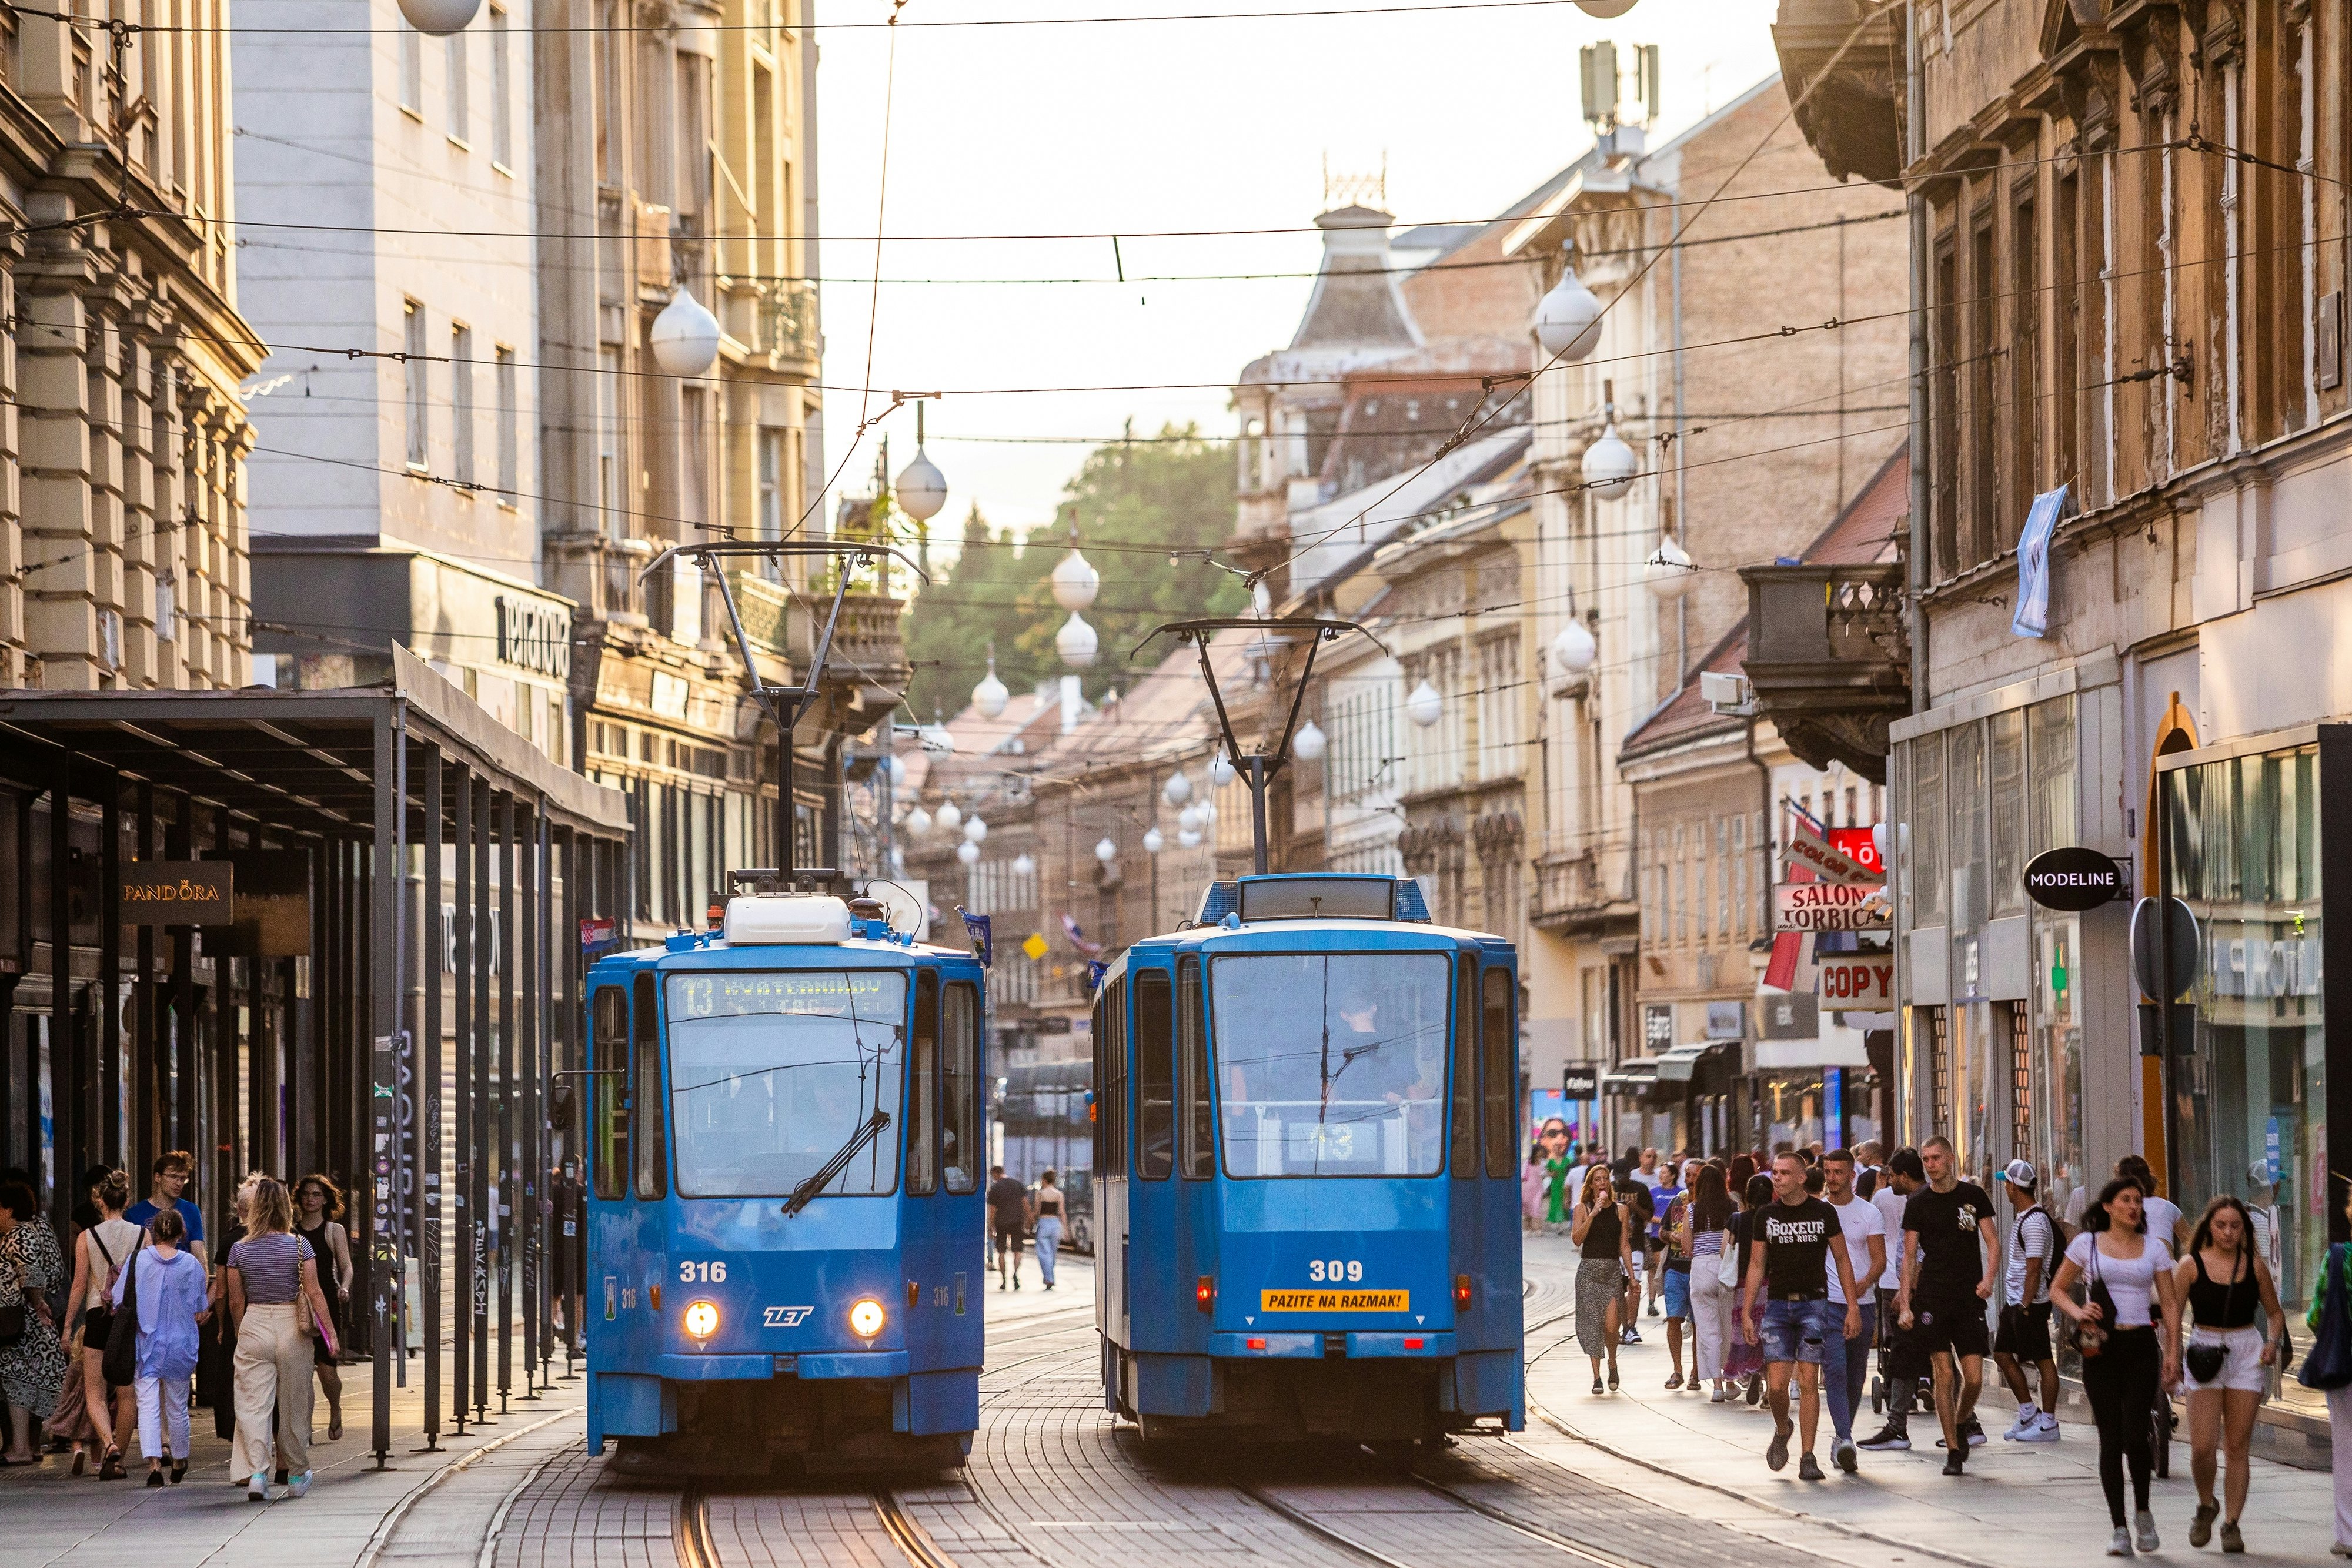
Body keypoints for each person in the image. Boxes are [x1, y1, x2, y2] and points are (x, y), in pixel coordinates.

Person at [2052, 1176, 2180, 1557]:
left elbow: (2171, 1304)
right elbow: (2058, 1287)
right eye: (2126, 1199)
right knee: (2110, 1436)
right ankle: (2119, 1527)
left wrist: (2173, 1351)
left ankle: (2143, 1511)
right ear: (2108, 1205)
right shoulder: (2086, 1243)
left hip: (2141, 1344)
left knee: (2136, 1433)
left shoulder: (2153, 1248)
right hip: (2101, 1348)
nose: (2134, 1206)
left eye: (2138, 1200)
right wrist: (2078, 1310)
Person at [2174, 1195, 2287, 1552]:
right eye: (2221, 1225)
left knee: (2237, 1445)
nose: (2227, 1232)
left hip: (2246, 1351)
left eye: (2235, 1226)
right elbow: (2172, 1313)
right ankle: (2206, 1503)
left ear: (2244, 1230)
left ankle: (2232, 1524)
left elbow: (2274, 1312)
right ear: (2208, 1226)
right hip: (2204, 1348)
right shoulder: (2190, 1265)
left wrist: (2272, 1343)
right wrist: (2171, 1356)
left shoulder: (2254, 1266)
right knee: (2203, 1446)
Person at [1740, 1152, 1864, 1480]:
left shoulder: (1823, 1212)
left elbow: (1842, 1259)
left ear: (1801, 1178)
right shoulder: (1766, 1215)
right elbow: (1756, 1265)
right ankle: (1783, 1428)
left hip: (1814, 1305)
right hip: (1779, 1307)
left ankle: (1808, 1457)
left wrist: (1853, 1306)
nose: (1776, 1178)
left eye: (1783, 1173)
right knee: (1778, 1386)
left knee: (1809, 1381)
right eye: (1774, 1173)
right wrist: (1749, 1312)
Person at [225, 1175, 339, 1500]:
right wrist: (330, 1334)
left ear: (256, 1208)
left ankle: (257, 1473)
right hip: (292, 1325)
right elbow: (315, 1293)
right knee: (294, 1402)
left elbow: (235, 1301)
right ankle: (296, 1473)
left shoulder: (238, 1249)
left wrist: (240, 1329)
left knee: (252, 1404)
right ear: (287, 1208)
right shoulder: (300, 1245)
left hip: (254, 1322)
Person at [1897, 1135, 1999, 1473]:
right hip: (1932, 1298)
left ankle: (1960, 1419)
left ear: (1951, 1158)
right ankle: (1954, 1451)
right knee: (1943, 1375)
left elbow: (1993, 1241)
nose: (1930, 1165)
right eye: (1925, 1159)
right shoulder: (1918, 1203)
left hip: (1968, 1297)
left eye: (1936, 1158)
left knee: (1973, 1378)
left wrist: (1989, 1280)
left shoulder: (1973, 1197)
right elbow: (1909, 1256)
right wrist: (1907, 1303)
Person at [112, 1206, 207, 1486]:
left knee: (148, 1405)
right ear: (181, 1234)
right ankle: (179, 1459)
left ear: (153, 1232)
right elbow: (200, 1306)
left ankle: (154, 1465)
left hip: (146, 1344)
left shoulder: (137, 1261)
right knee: (177, 1406)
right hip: (181, 1345)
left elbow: (119, 1300)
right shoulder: (191, 1264)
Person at [64, 1168, 140, 1477]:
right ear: (127, 1199)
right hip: (128, 1316)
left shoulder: (87, 1237)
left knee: (94, 1391)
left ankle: (108, 1443)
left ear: (100, 1201)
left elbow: (80, 1285)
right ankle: (118, 1460)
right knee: (127, 1392)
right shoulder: (142, 1234)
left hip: (97, 1314)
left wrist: (68, 1325)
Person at [1816, 1148, 1885, 1469]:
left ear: (1852, 1176)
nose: (1832, 1179)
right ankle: (1844, 1439)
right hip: (1827, 1303)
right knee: (1835, 1372)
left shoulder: (1869, 1213)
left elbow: (1879, 1261)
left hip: (1863, 1304)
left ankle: (1843, 1436)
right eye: (1828, 1172)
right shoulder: (1817, 1211)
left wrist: (1859, 1289)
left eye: (1838, 1173)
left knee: (1856, 1377)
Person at [1860, 1146, 1927, 1450]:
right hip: (1904, 1285)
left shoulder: (1918, 1202)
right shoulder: (1914, 1201)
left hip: (1908, 1289)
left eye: (1890, 1176)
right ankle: (1964, 1423)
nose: (1887, 1181)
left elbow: (1917, 1255)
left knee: (1902, 1350)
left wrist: (1907, 1293)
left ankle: (1898, 1425)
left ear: (1902, 1175)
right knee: (1922, 1353)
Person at [1994, 1158, 2063, 1443]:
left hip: (2030, 1305)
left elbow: (2034, 1268)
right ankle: (2028, 1413)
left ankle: (2048, 1423)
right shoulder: (2025, 1217)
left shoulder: (2034, 1222)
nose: (2005, 1188)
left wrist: (2024, 1307)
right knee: (2001, 1354)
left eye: (2007, 1183)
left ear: (2014, 1187)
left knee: (2044, 1360)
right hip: (2016, 1302)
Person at [0, 1178, 68, 1465]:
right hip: (26, 1319)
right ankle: (28, 1446)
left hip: (22, 1322)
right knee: (25, 1381)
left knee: (18, 1382)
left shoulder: (19, 1235)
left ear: (9, 1210)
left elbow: (32, 1272)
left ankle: (20, 1448)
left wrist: (38, 1304)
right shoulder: (33, 1230)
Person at [293, 1175, 353, 1440]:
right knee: (302, 1373)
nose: (310, 1199)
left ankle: (335, 1406)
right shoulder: (292, 1232)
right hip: (298, 1306)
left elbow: (346, 1265)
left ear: (326, 1199)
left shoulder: (333, 1230)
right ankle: (304, 1429)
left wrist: (345, 1287)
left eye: (316, 1194)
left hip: (327, 1301)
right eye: (306, 1194)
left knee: (328, 1372)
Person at [2310, 1179, 2352, 1559]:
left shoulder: (2339, 1257)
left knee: (2345, 1446)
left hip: (2345, 1365)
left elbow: (2315, 1316)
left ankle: (2348, 1533)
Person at [1570, 1165, 1629, 1393]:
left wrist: (1632, 1279)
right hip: (1588, 1272)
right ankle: (1597, 1377)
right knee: (1593, 1324)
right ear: (1591, 1184)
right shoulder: (1582, 1208)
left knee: (1612, 1327)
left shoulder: (1621, 1210)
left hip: (1612, 1272)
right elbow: (1577, 1239)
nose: (1603, 1183)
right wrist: (1593, 1213)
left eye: (1606, 1179)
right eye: (1598, 1179)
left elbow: (1624, 1244)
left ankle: (1612, 1362)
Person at [1685, 1162, 1737, 1400]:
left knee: (1708, 1329)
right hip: (1727, 1267)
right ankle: (1731, 1381)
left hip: (1702, 1267)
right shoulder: (1732, 1207)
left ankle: (1716, 1386)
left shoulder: (1693, 1209)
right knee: (1729, 1327)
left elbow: (1687, 1247)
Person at [1725, 1171, 1773, 1403]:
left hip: (1745, 1283)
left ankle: (1752, 1372)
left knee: (1747, 1331)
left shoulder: (1738, 1219)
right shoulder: (1776, 1219)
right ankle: (1768, 1388)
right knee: (1771, 1334)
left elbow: (1725, 1250)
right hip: (1772, 1283)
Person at [124, 1152, 206, 1266]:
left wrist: (201, 1282)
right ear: (158, 1177)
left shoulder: (191, 1211)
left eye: (183, 1179)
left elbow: (198, 1255)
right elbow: (129, 1256)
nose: (179, 1183)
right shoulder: (134, 1214)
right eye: (173, 1177)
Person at [1658, 1159, 1699, 1388]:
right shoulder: (1677, 1200)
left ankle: (1696, 1371)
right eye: (1687, 1175)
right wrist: (1670, 1236)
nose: (1689, 1179)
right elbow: (1662, 1231)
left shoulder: (1708, 1204)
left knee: (1698, 1324)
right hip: (1675, 1267)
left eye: (1694, 1175)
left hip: (1699, 1271)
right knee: (1673, 1318)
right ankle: (1677, 1370)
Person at [2117, 1154, 2189, 1256]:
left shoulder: (2118, 1209)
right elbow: (2192, 1243)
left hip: (2134, 1266)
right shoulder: (2168, 1207)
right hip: (2169, 1267)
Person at [1616, 1174, 1654, 1345]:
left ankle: (1630, 1326)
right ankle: (1624, 1325)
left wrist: (1634, 1207)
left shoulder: (1640, 1189)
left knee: (1635, 1285)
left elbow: (1648, 1215)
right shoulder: (1609, 1188)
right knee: (1618, 1291)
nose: (1619, 1178)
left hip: (1635, 1245)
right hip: (1614, 1249)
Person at [1648, 1156, 1683, 1322]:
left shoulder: (1681, 1193)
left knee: (1670, 1270)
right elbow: (1648, 1215)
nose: (1661, 1175)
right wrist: (1662, 1221)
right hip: (1657, 1235)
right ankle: (1653, 1302)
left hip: (1677, 1237)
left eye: (1664, 1173)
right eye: (1660, 1173)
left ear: (1673, 1175)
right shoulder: (1654, 1192)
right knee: (1658, 1268)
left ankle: (1672, 1307)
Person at [985, 1166, 1028, 1290]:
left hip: (1001, 1222)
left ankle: (1004, 1280)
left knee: (1001, 1252)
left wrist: (991, 1226)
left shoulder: (996, 1188)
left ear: (996, 1174)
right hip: (1017, 1221)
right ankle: (1015, 1275)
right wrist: (1029, 1220)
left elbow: (993, 1210)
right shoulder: (1018, 1184)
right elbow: (1025, 1204)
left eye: (993, 1176)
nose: (994, 1178)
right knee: (1017, 1251)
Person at [1032, 1169, 1068, 1290]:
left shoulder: (1040, 1194)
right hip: (1056, 1224)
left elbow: (1037, 1211)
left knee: (1043, 1252)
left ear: (1044, 1180)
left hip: (1044, 1223)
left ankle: (1048, 1278)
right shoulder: (1059, 1194)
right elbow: (1062, 1212)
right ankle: (1050, 1277)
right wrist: (1066, 1229)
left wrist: (1031, 1221)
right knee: (1052, 1253)